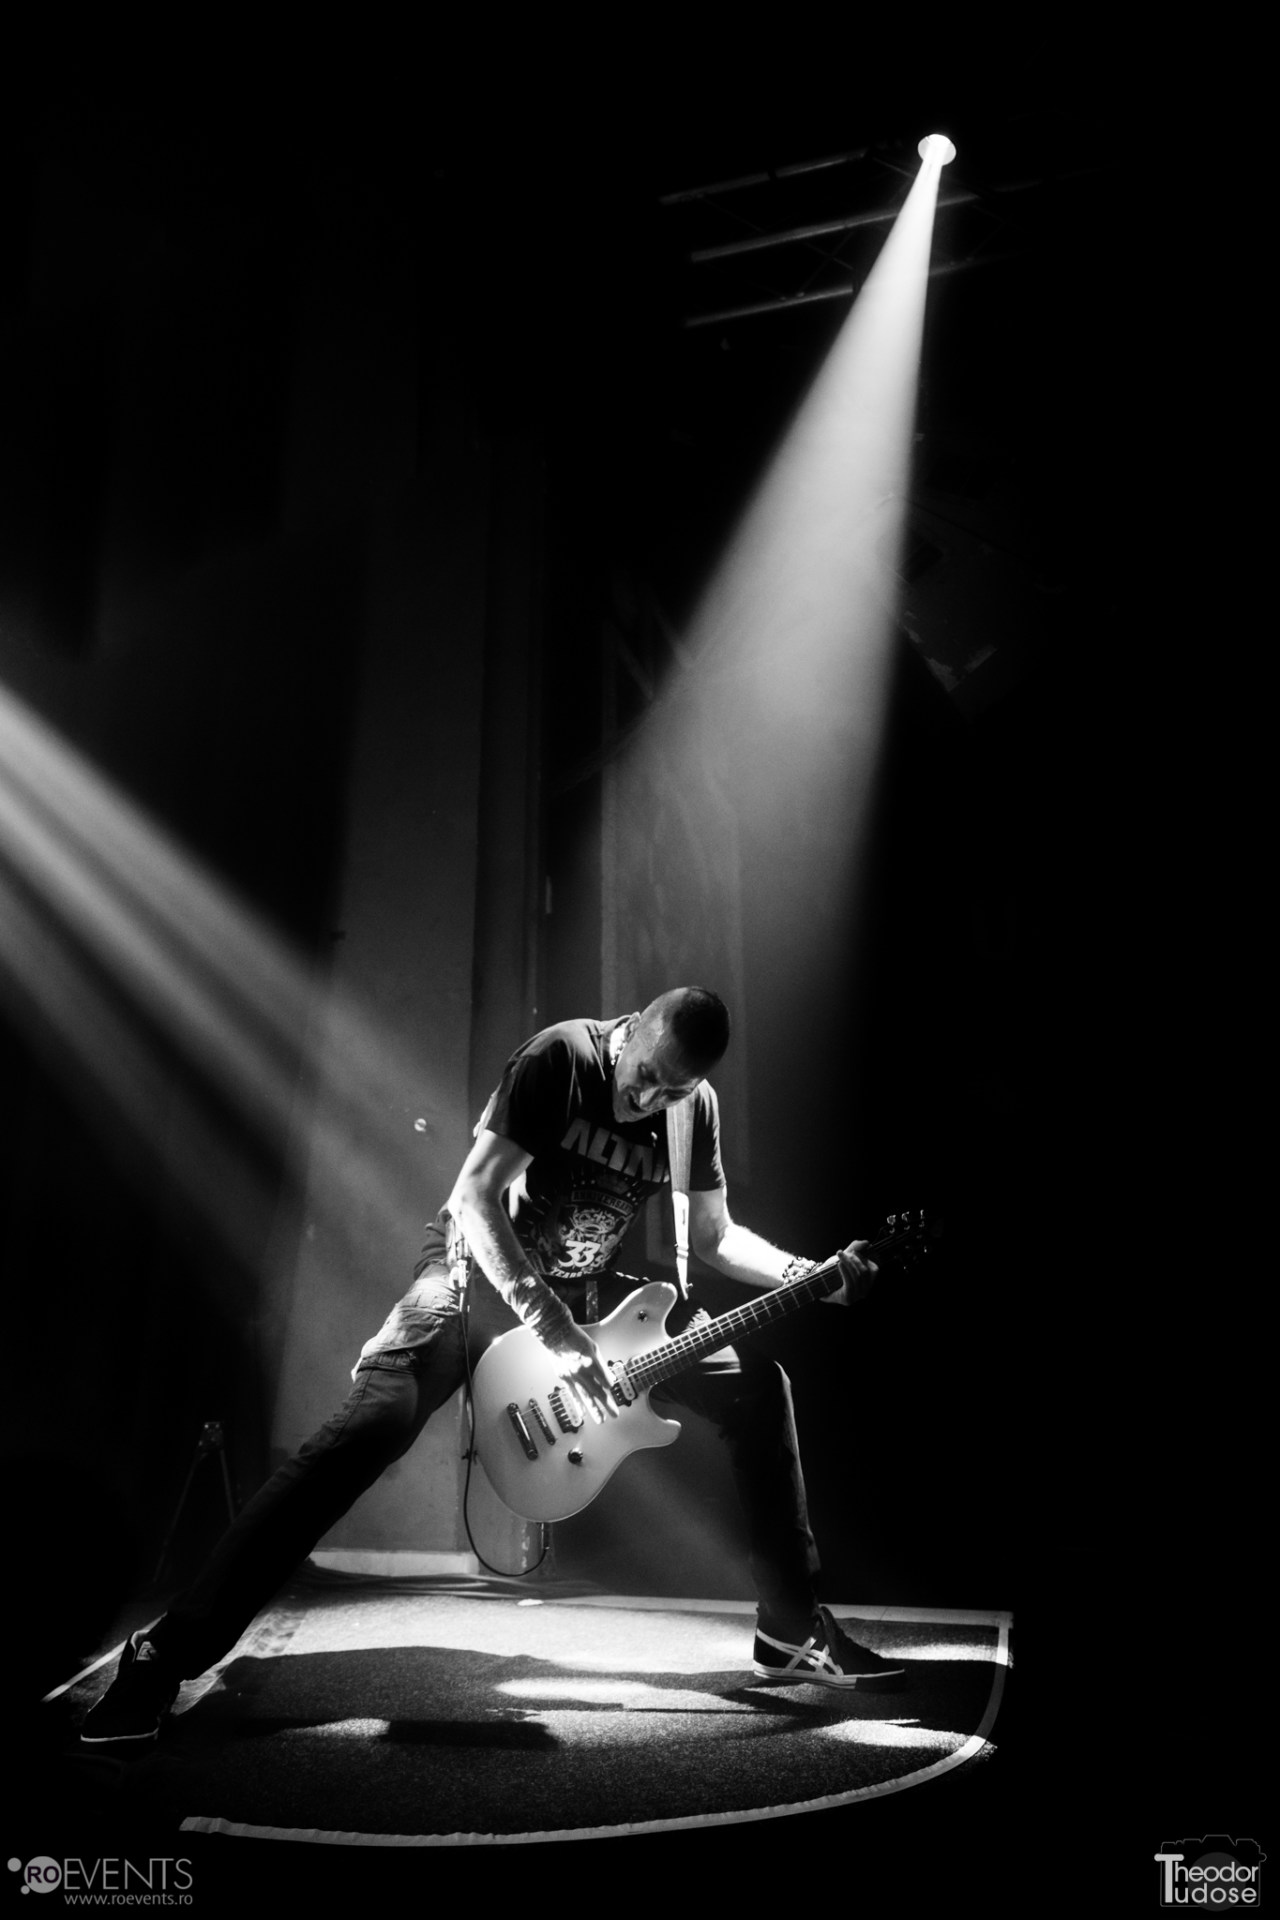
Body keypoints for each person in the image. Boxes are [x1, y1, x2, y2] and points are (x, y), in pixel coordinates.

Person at [81, 987, 904, 1747]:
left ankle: (790, 1628)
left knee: (758, 1385)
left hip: (587, 1296)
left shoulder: (697, 1109)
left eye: (673, 1091)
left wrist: (810, 1274)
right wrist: (550, 1325)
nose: (650, 1100)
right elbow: (474, 1198)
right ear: (630, 1034)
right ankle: (164, 1654)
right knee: (369, 1429)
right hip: (473, 1277)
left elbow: (717, 1236)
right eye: (647, 1077)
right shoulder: (562, 1058)